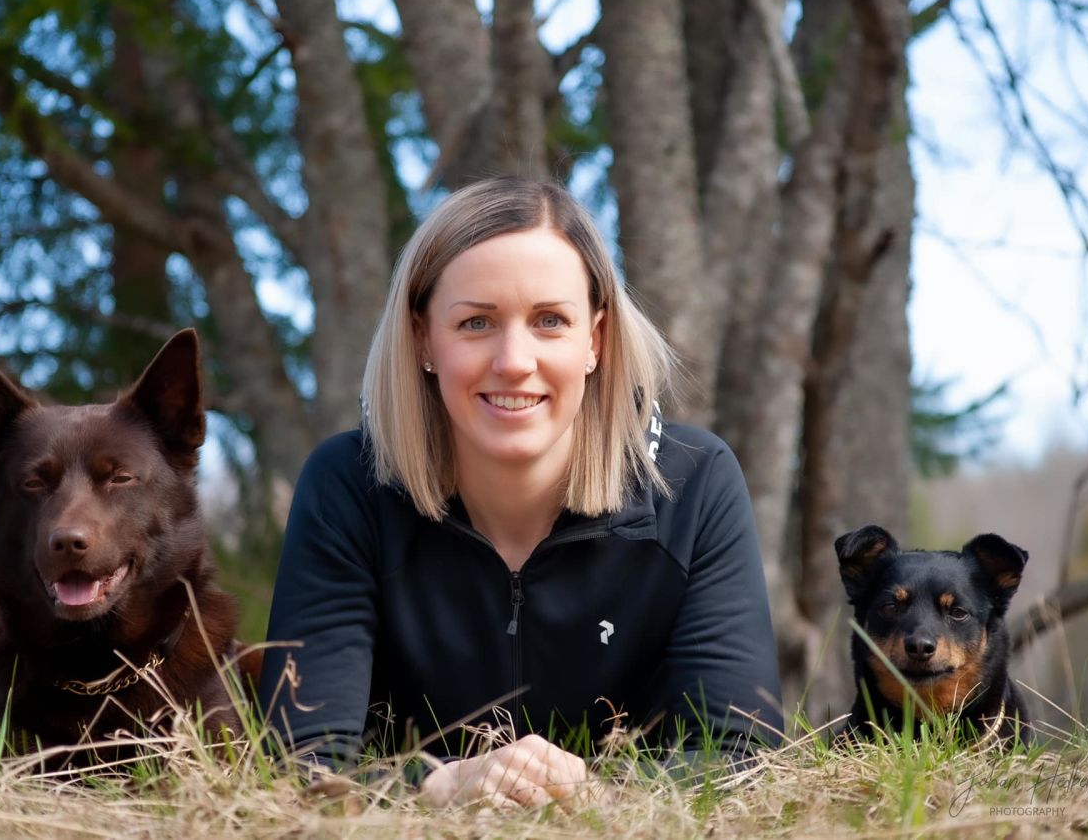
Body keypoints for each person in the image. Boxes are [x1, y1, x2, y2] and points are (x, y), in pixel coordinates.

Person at [259, 177, 782, 806]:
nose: (513, 360)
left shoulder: (693, 483)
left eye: (550, 321)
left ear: (596, 339)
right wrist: (441, 785)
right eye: (476, 322)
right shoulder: (349, 485)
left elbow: (742, 758)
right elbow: (302, 766)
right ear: (423, 338)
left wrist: (593, 792)